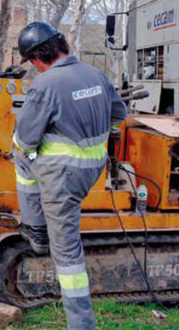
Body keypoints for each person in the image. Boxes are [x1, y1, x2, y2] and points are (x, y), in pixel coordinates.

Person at [12, 22, 127, 330]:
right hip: (93, 168)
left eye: (33, 62)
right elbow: (119, 114)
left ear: (37, 58)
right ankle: (37, 229)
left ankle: (81, 324)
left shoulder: (45, 85)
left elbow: (25, 141)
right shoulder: (95, 74)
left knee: (68, 257)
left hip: (62, 178)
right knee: (26, 160)